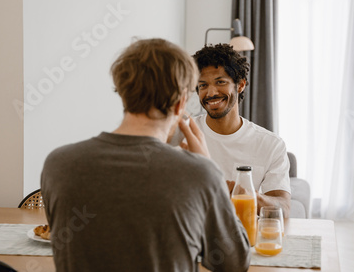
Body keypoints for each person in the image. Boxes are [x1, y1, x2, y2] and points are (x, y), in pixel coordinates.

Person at [41, 38, 250, 272]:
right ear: (181, 103)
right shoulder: (199, 172)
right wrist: (209, 169)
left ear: (123, 93)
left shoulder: (58, 164)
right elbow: (234, 263)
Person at [192, 43, 291, 216]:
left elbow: (284, 208)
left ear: (240, 85)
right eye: (203, 85)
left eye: (220, 82)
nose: (211, 93)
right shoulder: (184, 132)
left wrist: (249, 196)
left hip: (245, 234)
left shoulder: (271, 144)